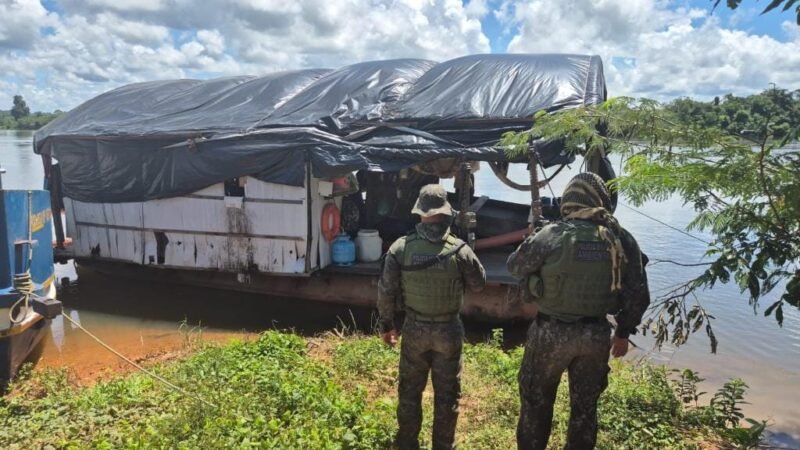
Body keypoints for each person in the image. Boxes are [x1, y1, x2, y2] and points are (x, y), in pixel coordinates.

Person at [507, 172, 650, 450]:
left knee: (536, 402)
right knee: (585, 409)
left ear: (568, 201)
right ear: (601, 200)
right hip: (596, 335)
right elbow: (639, 294)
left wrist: (533, 238)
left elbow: (515, 267)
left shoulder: (552, 234)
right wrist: (623, 332)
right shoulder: (622, 239)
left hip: (550, 334)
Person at [378, 184, 486, 450]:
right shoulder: (459, 250)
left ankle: (407, 443)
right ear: (445, 212)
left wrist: (387, 326)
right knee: (447, 395)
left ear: (420, 212)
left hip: (414, 329)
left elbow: (386, 291)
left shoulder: (400, 248)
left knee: (409, 392)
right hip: (448, 331)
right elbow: (478, 284)